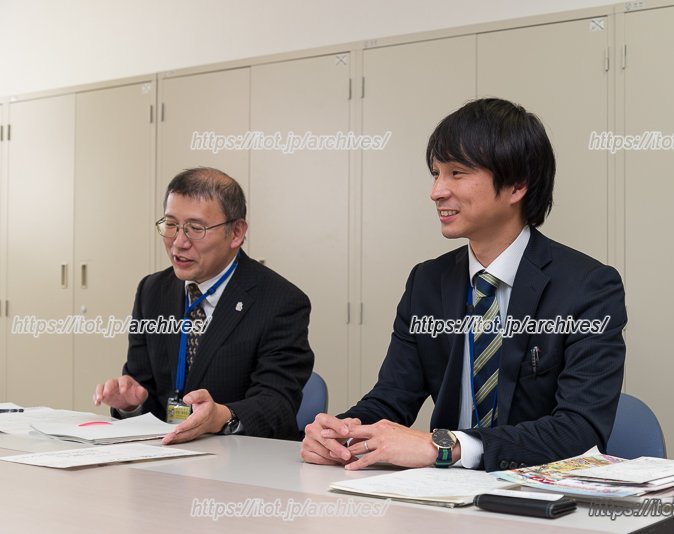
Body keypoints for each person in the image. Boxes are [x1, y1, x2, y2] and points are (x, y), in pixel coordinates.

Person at [301, 98, 626, 471]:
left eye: (456, 173)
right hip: (444, 497)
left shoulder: (588, 286)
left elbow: (579, 429)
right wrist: (343, 432)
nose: (437, 191)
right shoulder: (427, 280)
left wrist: (446, 446)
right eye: (436, 173)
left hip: (536, 496)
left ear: (517, 185)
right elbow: (392, 398)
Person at [94, 167, 314, 444]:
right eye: (171, 225)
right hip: (165, 457)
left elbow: (277, 405)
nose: (179, 242)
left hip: (241, 461)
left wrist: (222, 416)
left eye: (196, 229)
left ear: (236, 232)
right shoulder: (152, 291)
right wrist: (130, 403)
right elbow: (143, 390)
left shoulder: (280, 302)